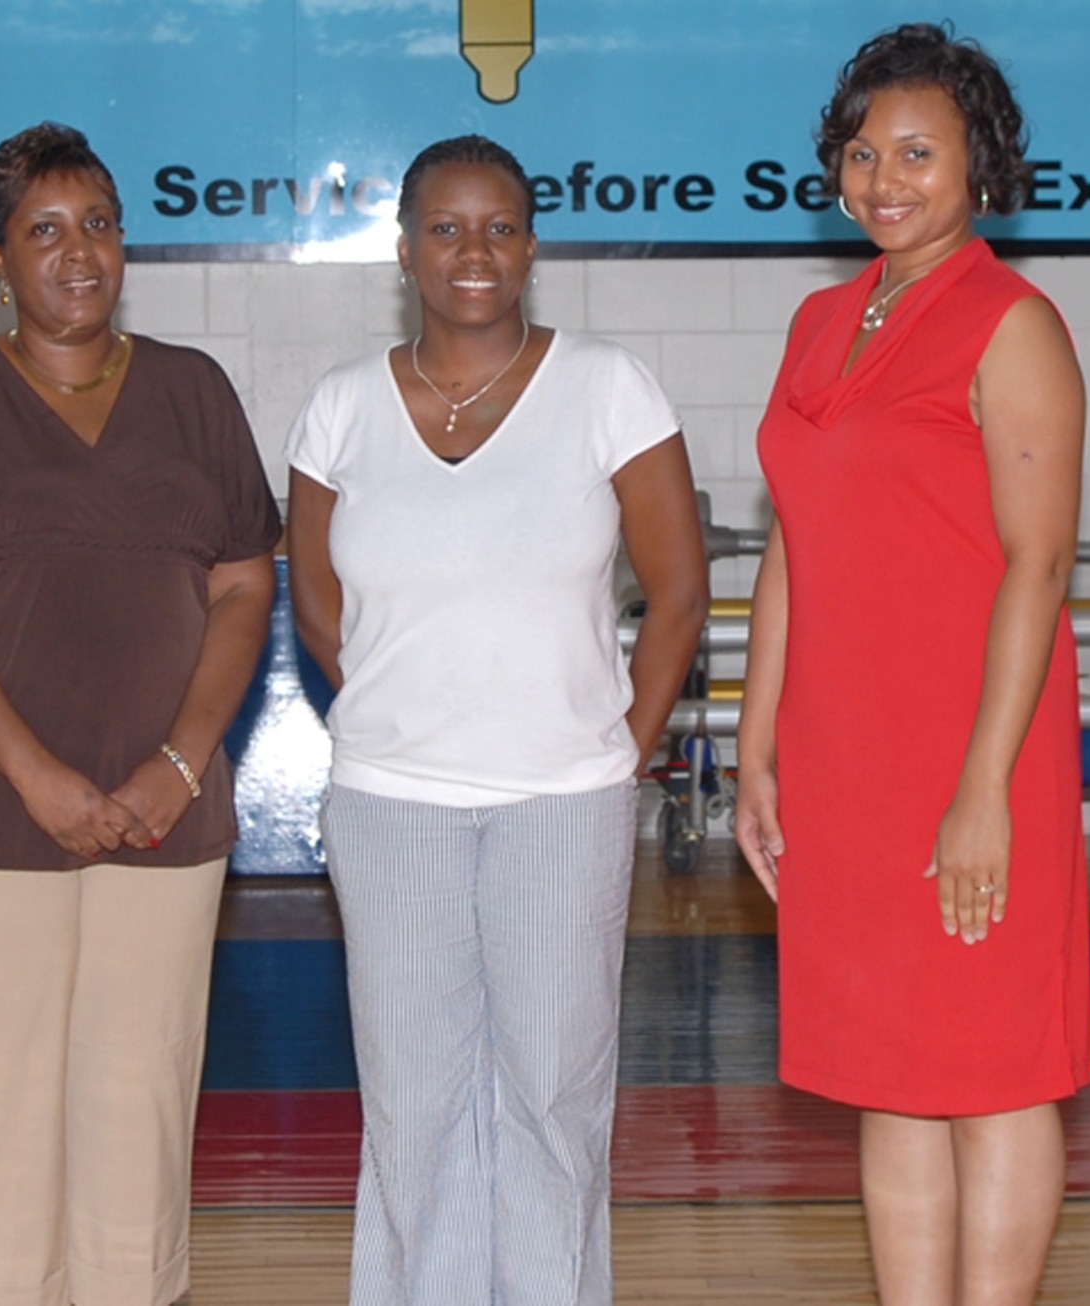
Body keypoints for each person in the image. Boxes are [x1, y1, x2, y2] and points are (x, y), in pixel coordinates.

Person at [0, 122, 280, 1306]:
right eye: (43, 230)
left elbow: (246, 581)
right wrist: (33, 772)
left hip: (163, 820)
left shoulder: (191, 390)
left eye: (97, 224)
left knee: (136, 1107)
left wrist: (180, 765)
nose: (77, 252)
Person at [286, 135, 709, 1305]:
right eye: (444, 227)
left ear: (530, 243)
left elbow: (675, 592)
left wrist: (617, 745)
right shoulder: (337, 408)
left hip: (558, 806)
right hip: (388, 804)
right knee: (411, 1105)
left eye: (500, 227)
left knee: (550, 1102)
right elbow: (317, 603)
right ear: (404, 245)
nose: (473, 251)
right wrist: (391, 708)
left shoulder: (607, 387)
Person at [734, 23, 1090, 1306]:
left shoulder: (1012, 325)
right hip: (844, 758)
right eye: (859, 150)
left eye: (916, 152)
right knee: (884, 1070)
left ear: (978, 169)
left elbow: (1035, 569)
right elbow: (792, 541)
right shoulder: (816, 318)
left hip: (969, 750)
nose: (880, 177)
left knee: (992, 1071)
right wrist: (754, 745)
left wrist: (983, 785)